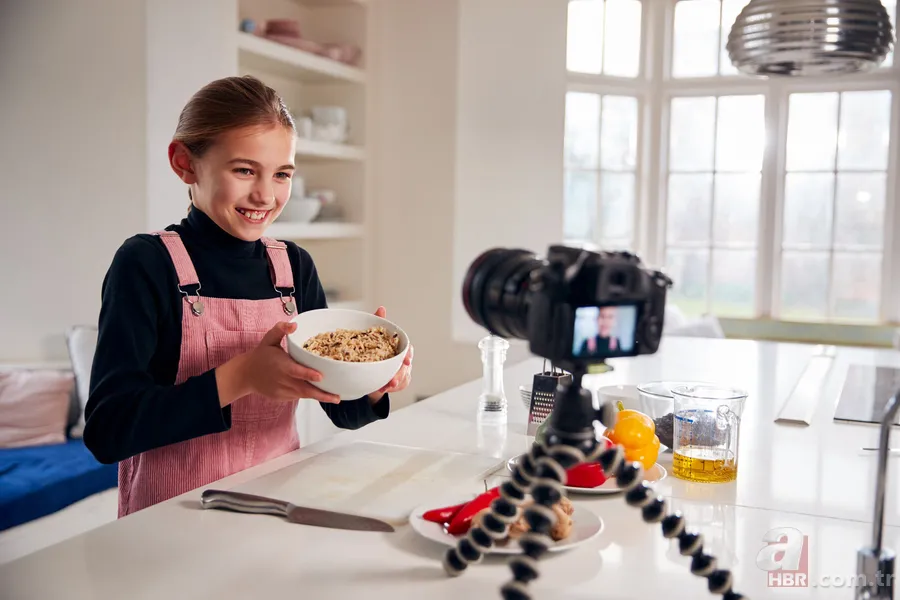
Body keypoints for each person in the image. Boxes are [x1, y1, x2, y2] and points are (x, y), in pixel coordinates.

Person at [82, 75, 413, 517]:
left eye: (282, 174)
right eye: (244, 170)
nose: (265, 194)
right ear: (184, 163)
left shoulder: (293, 267)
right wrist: (240, 376)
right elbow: (108, 430)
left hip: (277, 510)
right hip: (169, 524)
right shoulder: (146, 263)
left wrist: (373, 383)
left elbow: (343, 410)